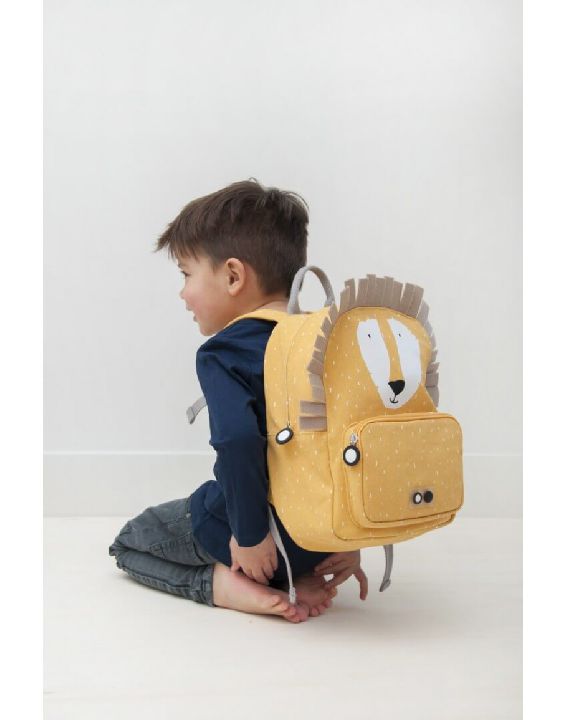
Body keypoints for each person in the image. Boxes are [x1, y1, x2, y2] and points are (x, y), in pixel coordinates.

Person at [109, 179, 368, 623]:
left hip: (251, 543)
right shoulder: (323, 343)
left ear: (233, 276)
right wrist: (351, 541)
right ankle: (294, 578)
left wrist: (249, 536)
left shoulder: (225, 351)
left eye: (186, 274)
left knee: (129, 541)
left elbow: (237, 440)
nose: (183, 293)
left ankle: (224, 585)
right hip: (318, 538)